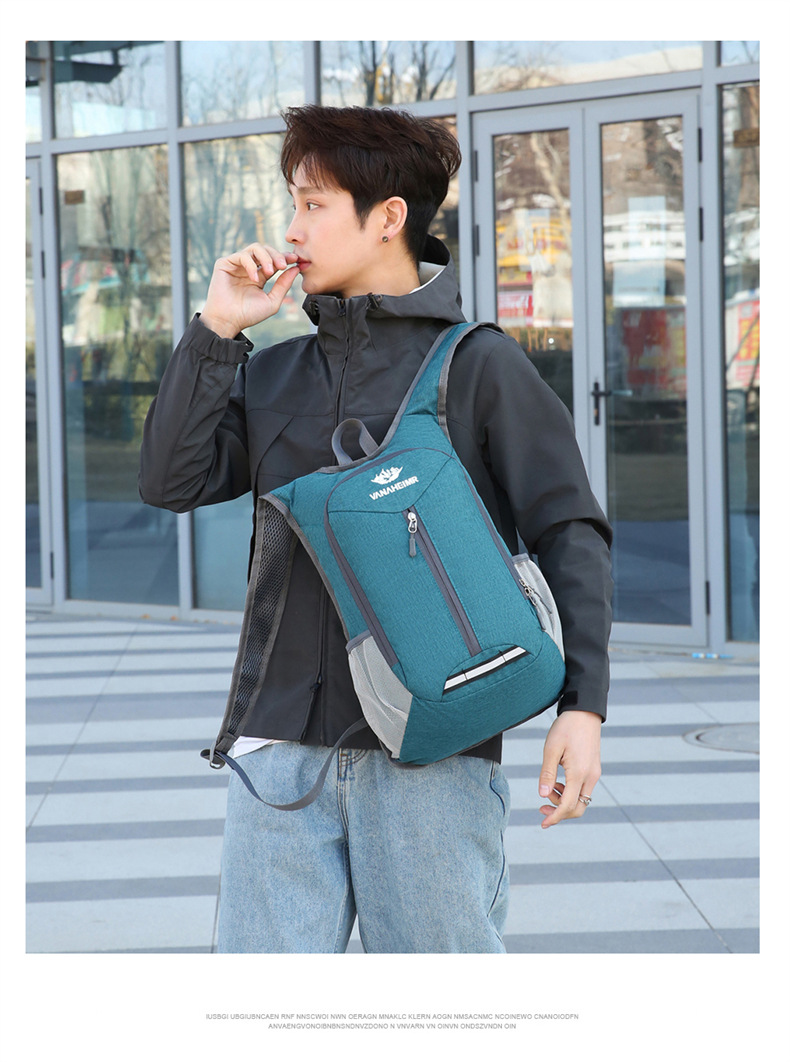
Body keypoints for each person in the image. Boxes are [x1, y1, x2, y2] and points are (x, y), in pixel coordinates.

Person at [139, 104, 613, 954]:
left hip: (436, 754)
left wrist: (583, 707)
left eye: (313, 204)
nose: (292, 228)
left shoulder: (480, 365)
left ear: (388, 217)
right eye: (294, 203)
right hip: (281, 753)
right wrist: (216, 331)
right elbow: (171, 480)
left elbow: (570, 529)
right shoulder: (275, 372)